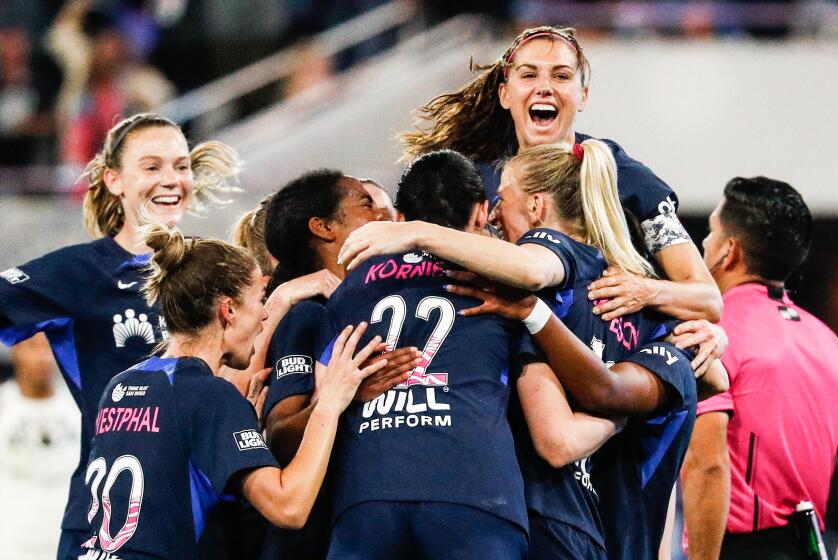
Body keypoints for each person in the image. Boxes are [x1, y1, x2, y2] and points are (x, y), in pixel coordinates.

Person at [338, 141, 725, 559]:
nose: (495, 217)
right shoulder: (627, 297)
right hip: (605, 529)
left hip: (545, 516)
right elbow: (714, 377)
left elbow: (557, 437)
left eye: (501, 198)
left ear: (537, 206)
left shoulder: (537, 276)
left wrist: (416, 232)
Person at [0, 112, 240, 560]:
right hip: (110, 515)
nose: (171, 180)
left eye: (181, 166)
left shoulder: (219, 272)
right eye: (151, 167)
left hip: (210, 512)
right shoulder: (78, 272)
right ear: (114, 180)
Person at [78, 223, 386, 559]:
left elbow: (166, 482)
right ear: (229, 309)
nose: (265, 313)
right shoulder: (209, 395)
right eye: (260, 299)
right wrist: (330, 402)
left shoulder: (122, 385)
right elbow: (289, 508)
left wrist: (230, 437)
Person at [401, 25, 721, 324]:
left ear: (583, 96)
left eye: (561, 76)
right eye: (528, 75)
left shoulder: (624, 176)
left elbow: (707, 299)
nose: (544, 87)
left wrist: (649, 292)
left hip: (598, 361)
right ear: (504, 94)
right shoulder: (471, 178)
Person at [317, 149, 530, 560]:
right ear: (482, 212)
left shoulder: (349, 287)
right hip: (475, 490)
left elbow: (321, 397)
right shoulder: (503, 278)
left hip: (369, 495)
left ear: (399, 218)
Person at [259, 170, 418, 560]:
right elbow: (280, 433)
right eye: (367, 205)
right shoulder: (308, 317)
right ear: (324, 228)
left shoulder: (386, 307)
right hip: (313, 542)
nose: (386, 217)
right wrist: (347, 396)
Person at [681, 177, 838, 560]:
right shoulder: (830, 344)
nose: (704, 245)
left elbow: (708, 466)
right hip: (811, 546)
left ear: (728, 252)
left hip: (739, 547)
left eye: (711, 235)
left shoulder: (713, 335)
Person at [0, 333, 79, 559]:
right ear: (15, 352)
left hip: (63, 542)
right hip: (13, 544)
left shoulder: (77, 407)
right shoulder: (3, 404)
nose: (43, 358)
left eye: (48, 349)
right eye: (33, 348)